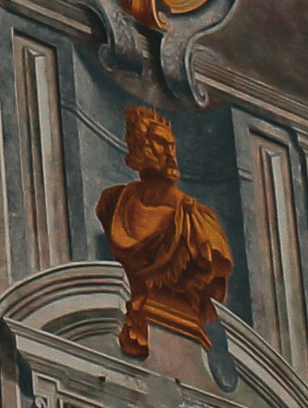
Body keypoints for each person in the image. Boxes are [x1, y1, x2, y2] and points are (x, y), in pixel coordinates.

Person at [99, 106, 233, 360]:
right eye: (161, 143)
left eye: (171, 146)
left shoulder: (197, 218)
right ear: (140, 147)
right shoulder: (112, 203)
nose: (170, 153)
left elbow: (218, 261)